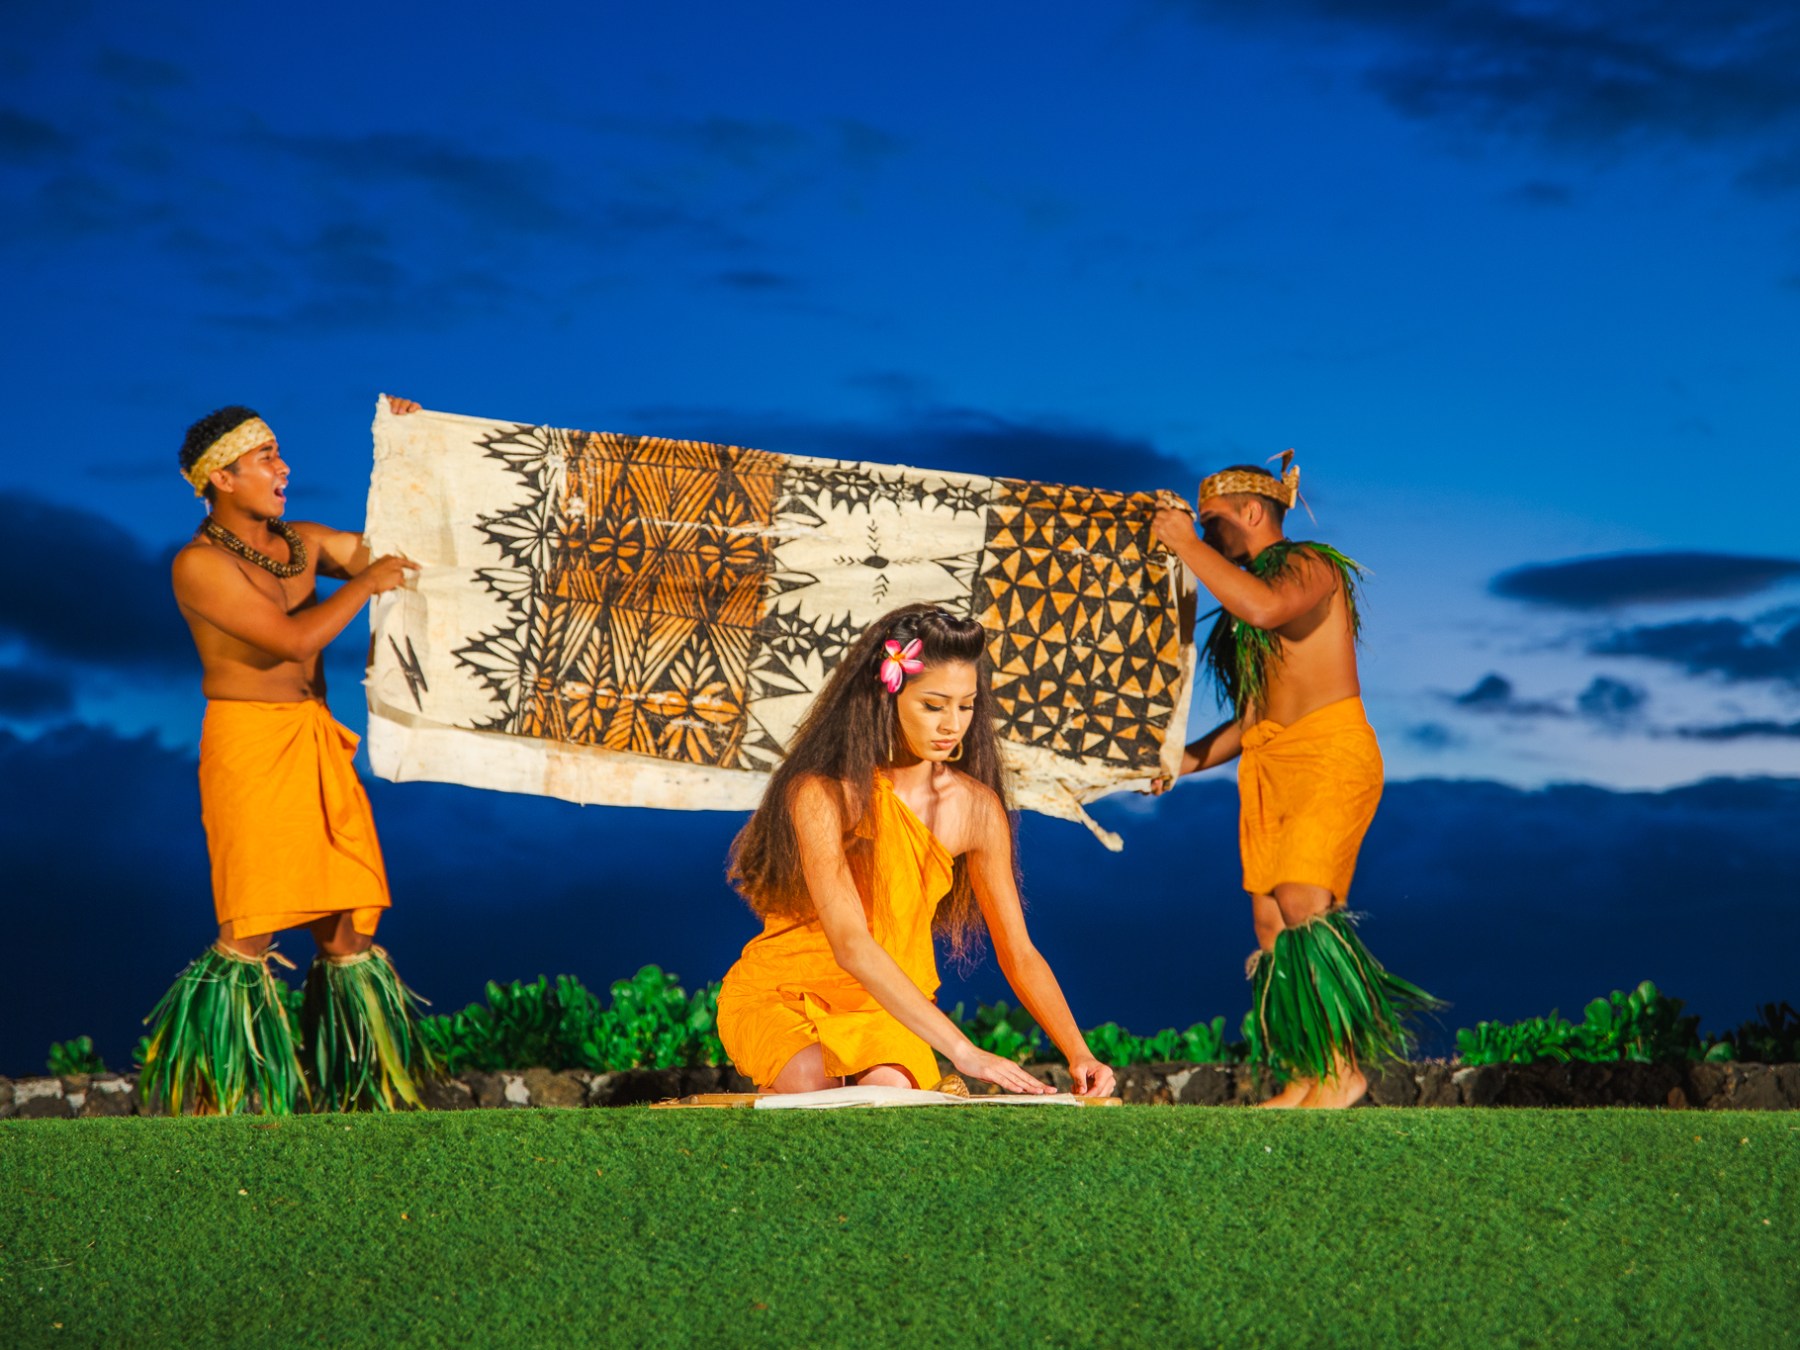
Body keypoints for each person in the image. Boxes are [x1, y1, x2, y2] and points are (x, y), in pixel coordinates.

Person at [139, 398, 436, 1114]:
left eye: (279, 452)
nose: (284, 467)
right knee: (255, 921)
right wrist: (365, 587)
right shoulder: (198, 566)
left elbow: (398, 551)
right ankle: (222, 1092)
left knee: (351, 922)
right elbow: (291, 641)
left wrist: (412, 453)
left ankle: (361, 1093)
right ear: (223, 478)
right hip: (250, 745)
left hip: (312, 735)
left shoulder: (302, 543)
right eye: (267, 456)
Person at [720, 604, 1118, 1098]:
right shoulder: (822, 794)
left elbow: (1019, 952)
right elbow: (850, 944)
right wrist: (964, 1051)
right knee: (811, 1082)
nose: (953, 723)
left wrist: (1079, 1052)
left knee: (891, 1089)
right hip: (785, 994)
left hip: (885, 1006)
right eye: (934, 705)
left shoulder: (978, 809)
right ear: (888, 697)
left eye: (966, 705)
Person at [1149, 454, 1437, 1109]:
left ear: (1251, 512)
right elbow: (1253, 717)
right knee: (1271, 920)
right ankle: (1305, 1074)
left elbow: (1264, 608)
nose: (1206, 531)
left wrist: (1186, 545)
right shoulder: (1245, 598)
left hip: (1330, 752)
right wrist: (1181, 761)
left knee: (1306, 899)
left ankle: (1343, 1071)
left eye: (1213, 522)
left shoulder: (1309, 567)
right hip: (1270, 762)